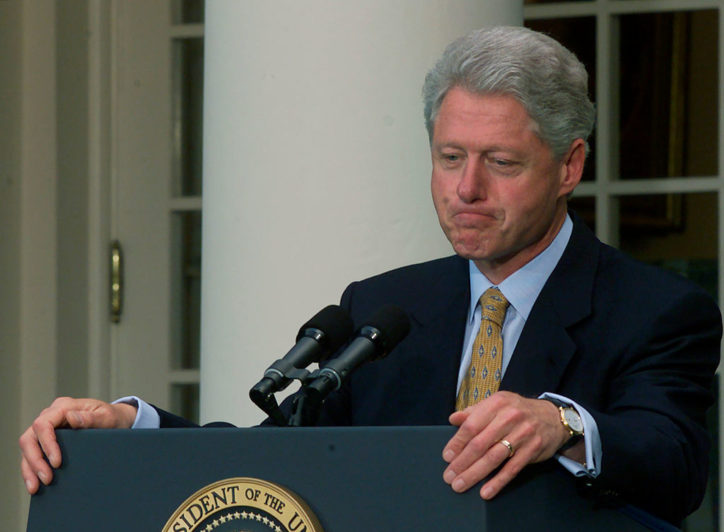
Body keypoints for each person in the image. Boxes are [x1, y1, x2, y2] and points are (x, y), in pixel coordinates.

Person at [19, 26, 721, 525]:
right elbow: (282, 465)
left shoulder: (658, 309)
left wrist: (562, 424)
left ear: (569, 166)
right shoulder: (384, 308)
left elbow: (674, 464)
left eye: (500, 162)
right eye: (450, 158)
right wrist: (129, 430)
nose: (466, 188)